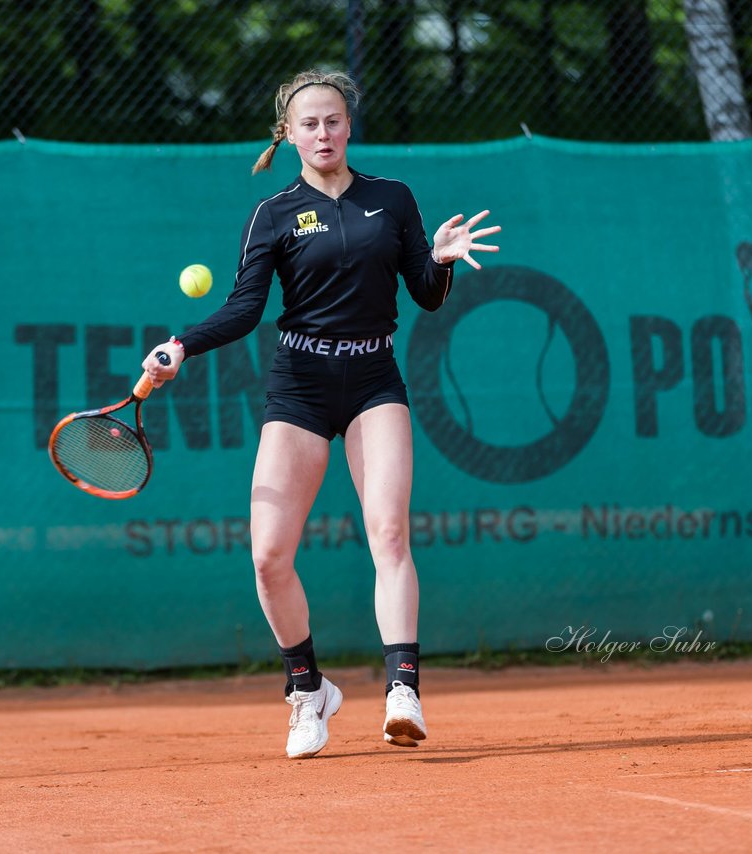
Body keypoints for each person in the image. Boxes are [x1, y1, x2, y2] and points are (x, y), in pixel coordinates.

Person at [142, 69, 500, 759]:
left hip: (373, 380)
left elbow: (425, 294)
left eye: (333, 120)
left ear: (348, 125)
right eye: (309, 123)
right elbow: (247, 308)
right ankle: (309, 693)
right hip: (301, 388)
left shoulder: (392, 200)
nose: (323, 133)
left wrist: (442, 260)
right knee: (268, 557)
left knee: (389, 534)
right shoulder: (273, 214)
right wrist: (182, 345)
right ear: (289, 133)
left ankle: (403, 691)